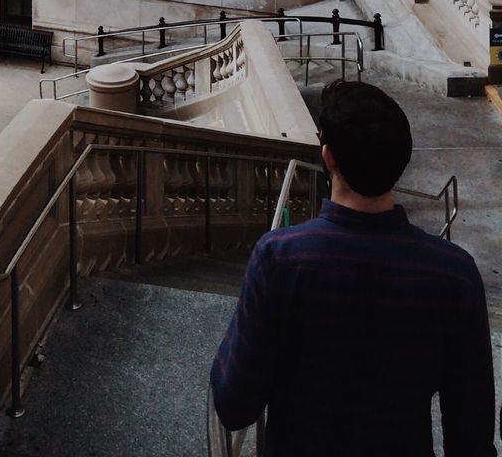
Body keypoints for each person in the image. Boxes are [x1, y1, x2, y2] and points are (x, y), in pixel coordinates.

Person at [210, 80, 496, 456]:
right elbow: (471, 438)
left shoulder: (279, 260)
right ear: (400, 161)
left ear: (327, 157)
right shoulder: (455, 275)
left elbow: (233, 405)